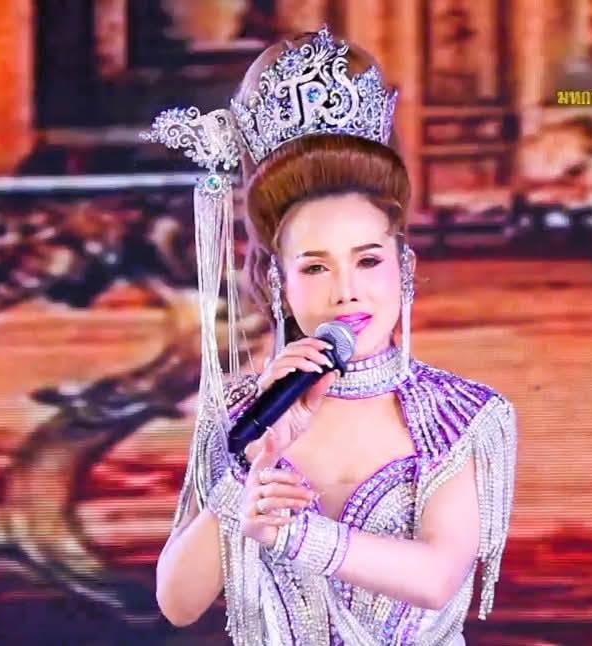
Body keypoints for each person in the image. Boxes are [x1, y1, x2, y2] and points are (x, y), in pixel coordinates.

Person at [144, 26, 517, 646]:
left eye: (368, 260)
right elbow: (178, 603)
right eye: (315, 267)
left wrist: (293, 534)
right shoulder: (245, 415)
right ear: (279, 281)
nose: (347, 291)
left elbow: (436, 578)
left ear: (404, 267)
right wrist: (245, 472)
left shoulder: (463, 416)